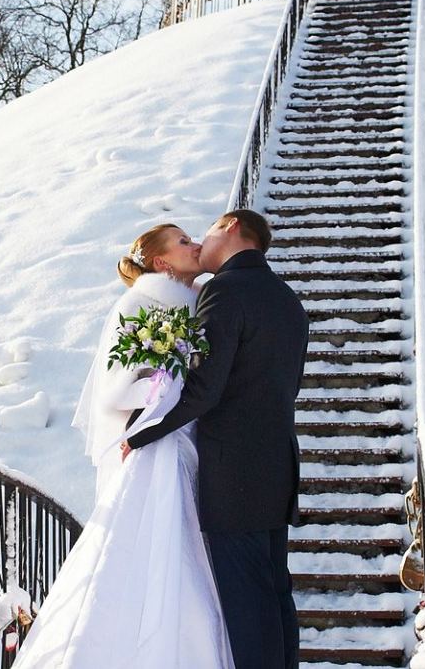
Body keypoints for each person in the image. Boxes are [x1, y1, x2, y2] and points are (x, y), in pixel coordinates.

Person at [12, 222, 235, 669]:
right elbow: (116, 390)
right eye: (184, 242)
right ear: (161, 262)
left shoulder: (192, 311)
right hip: (156, 453)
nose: (195, 247)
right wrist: (168, 384)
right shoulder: (140, 305)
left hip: (187, 447)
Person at [123, 209, 309, 669]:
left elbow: (206, 389)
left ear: (228, 228)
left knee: (248, 605)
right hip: (277, 468)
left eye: (205, 230)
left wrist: (141, 433)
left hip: (235, 477)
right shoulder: (288, 299)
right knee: (275, 594)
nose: (199, 241)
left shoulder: (225, 290)